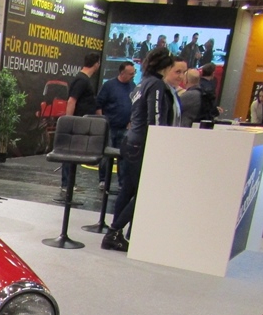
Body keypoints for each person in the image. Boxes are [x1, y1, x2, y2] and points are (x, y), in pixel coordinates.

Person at [101, 47, 185, 252]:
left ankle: (116, 232)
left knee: (128, 190)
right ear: (166, 66)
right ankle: (114, 231)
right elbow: (155, 119)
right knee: (145, 192)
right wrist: (161, 145)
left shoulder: (142, 83)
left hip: (131, 142)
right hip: (143, 144)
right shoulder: (156, 84)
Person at [59, 52, 102, 196]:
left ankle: (69, 183)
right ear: (96, 64)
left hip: (81, 122)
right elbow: (72, 101)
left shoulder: (85, 80)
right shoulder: (81, 80)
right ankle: (66, 184)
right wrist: (69, 121)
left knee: (74, 154)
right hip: (76, 123)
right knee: (69, 154)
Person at [95, 60, 136, 189]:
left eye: (134, 73)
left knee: (123, 156)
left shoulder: (133, 86)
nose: (133, 76)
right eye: (131, 73)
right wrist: (102, 121)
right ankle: (103, 180)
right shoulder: (109, 86)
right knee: (106, 155)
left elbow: (135, 106)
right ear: (122, 73)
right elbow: (98, 104)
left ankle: (121, 183)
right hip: (109, 127)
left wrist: (131, 121)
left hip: (125, 127)